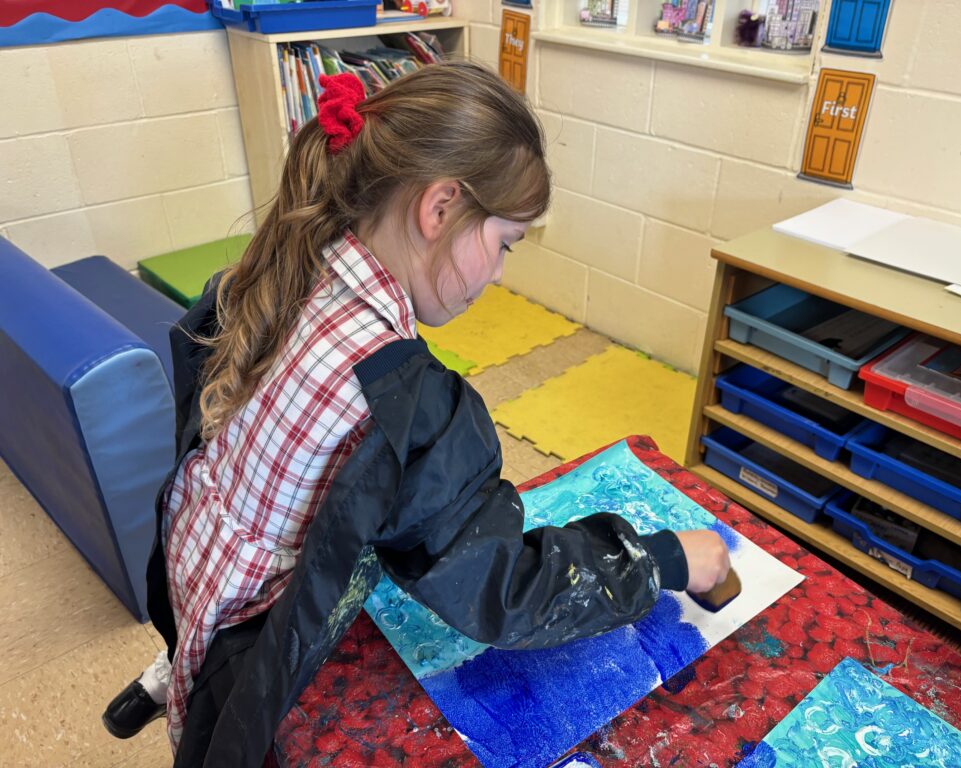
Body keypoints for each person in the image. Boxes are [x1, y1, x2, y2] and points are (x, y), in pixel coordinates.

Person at [101, 60, 731, 764]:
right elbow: (502, 588)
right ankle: (191, 680)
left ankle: (171, 667)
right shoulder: (411, 406)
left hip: (192, 561)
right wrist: (661, 559)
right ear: (438, 209)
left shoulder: (294, 257)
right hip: (248, 643)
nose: (498, 276)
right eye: (503, 246)